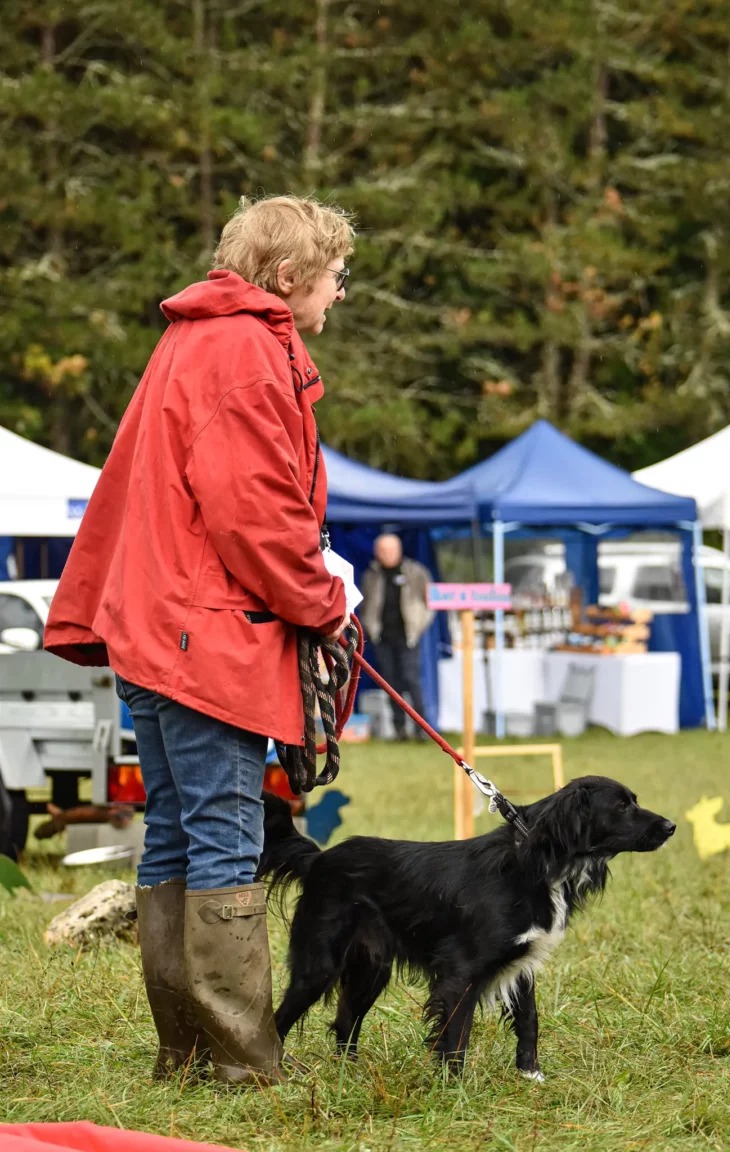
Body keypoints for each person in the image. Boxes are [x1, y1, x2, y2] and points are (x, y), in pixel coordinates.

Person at [44, 194, 354, 1086]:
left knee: (177, 832)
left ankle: (182, 1051)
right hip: (200, 638)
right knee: (221, 834)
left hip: (152, 629)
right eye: (334, 278)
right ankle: (243, 1061)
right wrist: (322, 601)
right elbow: (254, 516)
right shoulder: (248, 352)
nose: (338, 295)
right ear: (289, 277)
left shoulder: (195, 336)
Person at [360, 535, 434, 740]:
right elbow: (366, 605)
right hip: (383, 637)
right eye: (383, 551)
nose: (387, 555)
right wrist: (370, 627)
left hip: (408, 636)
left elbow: (430, 601)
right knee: (391, 683)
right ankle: (399, 728)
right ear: (377, 552)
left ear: (399, 550)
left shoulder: (415, 572)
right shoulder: (371, 575)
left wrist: (419, 624)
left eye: (391, 550)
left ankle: (423, 728)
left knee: (411, 679)